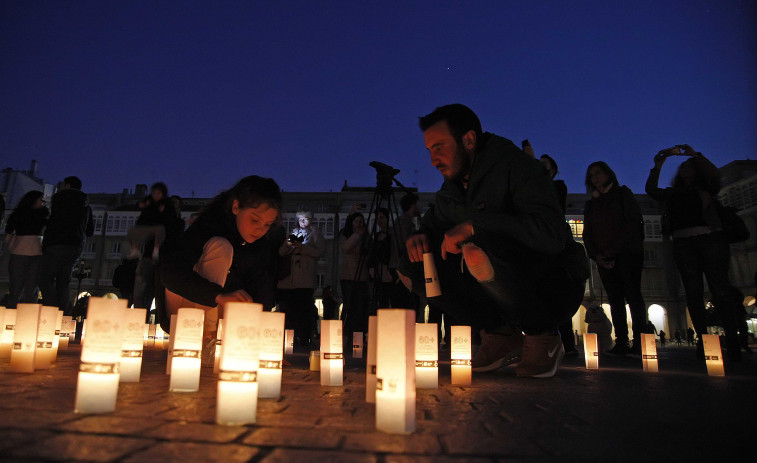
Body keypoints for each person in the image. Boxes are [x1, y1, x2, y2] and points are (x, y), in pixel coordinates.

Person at [399, 104, 588, 378]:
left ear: (469, 140)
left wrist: (476, 225)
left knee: (480, 247)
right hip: (496, 284)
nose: (433, 159)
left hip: (554, 285)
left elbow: (553, 236)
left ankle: (542, 336)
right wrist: (417, 239)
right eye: (429, 150)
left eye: (440, 147)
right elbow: (431, 225)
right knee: (414, 267)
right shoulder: (451, 189)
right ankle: (500, 336)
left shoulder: (518, 167)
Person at [646, 145, 743, 360]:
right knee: (693, 293)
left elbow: (716, 175)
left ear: (698, 170)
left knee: (721, 290)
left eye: (690, 167)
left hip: (710, 240)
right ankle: (703, 339)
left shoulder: (708, 188)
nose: (685, 169)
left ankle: (734, 342)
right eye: (683, 167)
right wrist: (658, 166)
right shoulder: (673, 194)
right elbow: (652, 190)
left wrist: (695, 155)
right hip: (683, 242)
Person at [161, 175, 281, 344]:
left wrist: (265, 345)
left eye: (267, 224)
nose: (260, 229)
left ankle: (215, 339)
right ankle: (205, 337)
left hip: (221, 321)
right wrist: (217, 295)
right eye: (255, 220)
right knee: (221, 246)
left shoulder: (261, 248)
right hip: (185, 316)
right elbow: (169, 273)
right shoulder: (207, 228)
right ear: (236, 206)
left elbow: (263, 294)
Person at [583, 161, 647, 356]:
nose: (595, 177)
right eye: (591, 175)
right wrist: (596, 255)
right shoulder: (591, 204)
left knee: (633, 297)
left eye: (598, 173)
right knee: (615, 300)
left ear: (609, 174)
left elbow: (632, 224)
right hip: (604, 259)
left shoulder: (622, 194)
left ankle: (641, 341)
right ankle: (621, 342)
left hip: (628, 255)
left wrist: (612, 250)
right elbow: (588, 234)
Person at [39, 176, 94, 315]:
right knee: (64, 281)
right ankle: (64, 314)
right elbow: (90, 230)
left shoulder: (59, 199)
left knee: (45, 278)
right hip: (75, 244)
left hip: (56, 242)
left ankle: (51, 311)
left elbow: (54, 220)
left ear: (67, 185)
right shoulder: (86, 204)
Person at [540, 154, 575, 355]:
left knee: (559, 292)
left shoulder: (558, 187)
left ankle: (567, 343)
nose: (540, 168)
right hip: (538, 242)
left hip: (554, 241)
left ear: (553, 169)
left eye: (544, 165)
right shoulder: (530, 187)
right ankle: (547, 341)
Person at [277, 210, 324, 347]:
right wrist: (288, 244)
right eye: (300, 219)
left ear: (311, 220)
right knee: (290, 310)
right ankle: (290, 337)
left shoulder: (315, 234)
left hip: (304, 278)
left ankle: (303, 338)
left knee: (303, 309)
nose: (303, 222)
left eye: (305, 219)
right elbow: (281, 252)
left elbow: (320, 252)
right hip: (289, 279)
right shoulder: (294, 233)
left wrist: (302, 248)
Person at [3, 190, 49, 307]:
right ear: (33, 200)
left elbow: (8, 232)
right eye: (41, 200)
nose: (43, 202)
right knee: (31, 288)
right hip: (37, 251)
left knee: (16, 287)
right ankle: (29, 317)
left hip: (20, 250)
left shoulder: (17, 214)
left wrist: (13, 245)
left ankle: (10, 317)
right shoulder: (43, 215)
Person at [339, 211, 371, 345]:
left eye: (361, 221)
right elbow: (346, 247)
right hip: (348, 275)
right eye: (356, 221)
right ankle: (345, 334)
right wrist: (357, 235)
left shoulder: (366, 236)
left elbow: (368, 251)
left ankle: (359, 336)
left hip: (362, 276)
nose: (359, 224)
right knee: (349, 306)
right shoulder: (345, 234)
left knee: (361, 308)